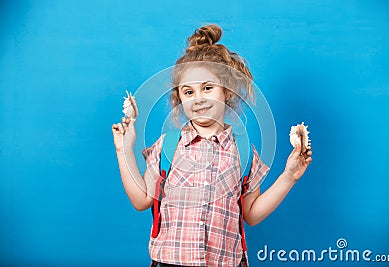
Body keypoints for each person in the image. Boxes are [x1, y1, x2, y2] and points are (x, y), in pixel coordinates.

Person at [112, 24, 312, 267]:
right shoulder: (169, 146)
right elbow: (141, 199)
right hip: (169, 261)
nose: (198, 99)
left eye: (208, 88)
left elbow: (251, 214)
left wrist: (289, 176)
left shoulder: (243, 151)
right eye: (188, 92)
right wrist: (123, 150)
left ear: (226, 91)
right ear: (179, 99)